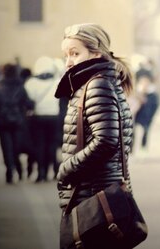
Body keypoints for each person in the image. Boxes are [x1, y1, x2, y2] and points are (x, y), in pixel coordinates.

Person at [54, 23, 135, 216]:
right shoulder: (96, 83)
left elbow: (106, 141)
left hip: (95, 192)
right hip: (97, 189)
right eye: (66, 55)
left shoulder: (97, 84)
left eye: (75, 54)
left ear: (96, 54)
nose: (68, 62)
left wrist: (67, 168)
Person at [0, 63, 34, 183]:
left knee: (6, 148)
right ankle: (19, 168)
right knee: (16, 147)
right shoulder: (20, 87)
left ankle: (9, 171)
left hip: (2, 122)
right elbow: (29, 104)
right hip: (17, 121)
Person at [24, 56, 61, 182]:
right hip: (54, 116)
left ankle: (41, 172)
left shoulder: (30, 83)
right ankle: (52, 171)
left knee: (39, 145)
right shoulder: (57, 81)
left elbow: (28, 101)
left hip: (38, 117)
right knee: (52, 145)